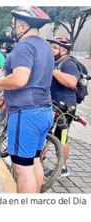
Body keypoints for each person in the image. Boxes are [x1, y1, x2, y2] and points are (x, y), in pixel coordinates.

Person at [0, 6, 53, 193]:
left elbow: (19, 79)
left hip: (26, 114)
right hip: (44, 112)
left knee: (22, 170)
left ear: (22, 27)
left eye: (13, 25)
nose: (11, 28)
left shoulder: (24, 47)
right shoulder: (45, 46)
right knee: (34, 162)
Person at [47, 36, 81, 178]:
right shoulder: (54, 62)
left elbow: (72, 82)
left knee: (61, 138)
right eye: (51, 47)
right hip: (51, 104)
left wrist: (54, 70)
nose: (51, 50)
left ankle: (62, 167)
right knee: (46, 133)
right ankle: (39, 157)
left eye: (55, 48)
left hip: (65, 107)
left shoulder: (68, 63)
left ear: (64, 51)